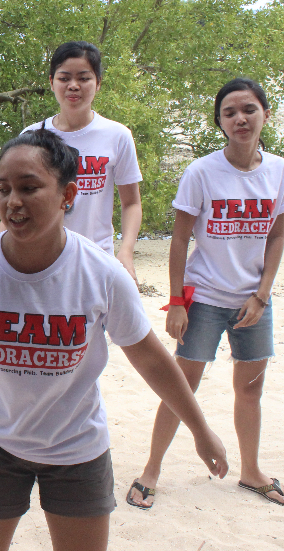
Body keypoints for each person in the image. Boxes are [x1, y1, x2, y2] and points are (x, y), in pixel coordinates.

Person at [0, 128, 228, 551]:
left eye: (29, 187)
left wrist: (200, 430)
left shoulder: (103, 275)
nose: (12, 201)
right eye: (3, 189)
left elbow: (150, 359)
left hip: (77, 449)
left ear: (67, 195)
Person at [128, 78, 284, 509]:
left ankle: (251, 471)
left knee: (250, 388)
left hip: (253, 301)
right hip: (206, 298)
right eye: (229, 112)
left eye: (249, 109)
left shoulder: (278, 170)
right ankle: (151, 470)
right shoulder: (202, 172)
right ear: (219, 121)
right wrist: (177, 302)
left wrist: (262, 295)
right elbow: (179, 239)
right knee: (181, 387)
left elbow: (277, 236)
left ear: (266, 115)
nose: (240, 119)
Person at [15, 41, 142, 279]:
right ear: (51, 82)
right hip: (41, 259)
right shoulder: (32, 137)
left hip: (97, 260)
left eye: (84, 78)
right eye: (64, 78)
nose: (73, 86)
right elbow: (16, 202)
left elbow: (131, 203)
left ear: (98, 83)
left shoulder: (117, 135)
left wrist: (126, 252)